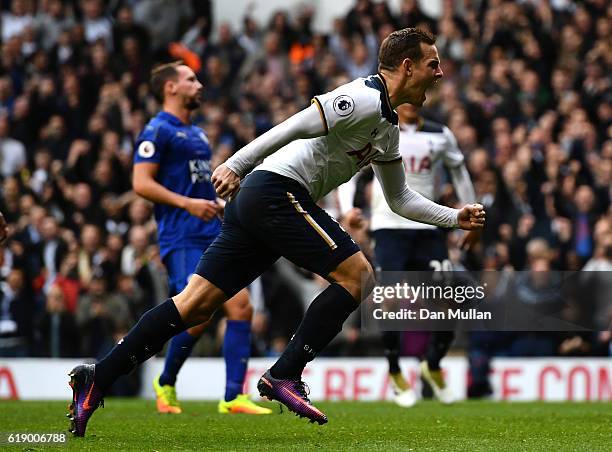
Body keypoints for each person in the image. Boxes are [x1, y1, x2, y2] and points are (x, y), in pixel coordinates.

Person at [67, 28, 485, 436]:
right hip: (275, 190)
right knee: (359, 276)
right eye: (434, 64)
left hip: (264, 201)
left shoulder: (387, 128)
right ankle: (284, 374)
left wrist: (455, 217)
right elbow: (290, 126)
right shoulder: (361, 97)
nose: (441, 73)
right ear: (408, 67)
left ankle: (98, 376)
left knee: (194, 306)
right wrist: (235, 163)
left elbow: (400, 200)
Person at [131, 62, 270, 416]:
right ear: (170, 88)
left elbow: (196, 183)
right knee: (195, 313)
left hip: (211, 231)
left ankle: (232, 397)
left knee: (241, 307)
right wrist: (188, 204)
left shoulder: (197, 135)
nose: (199, 84)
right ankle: (165, 381)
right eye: (191, 79)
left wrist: (216, 202)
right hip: (181, 236)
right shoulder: (157, 131)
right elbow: (141, 184)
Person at [338, 103, 477, 407]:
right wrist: (348, 208)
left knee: (448, 297)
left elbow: (459, 171)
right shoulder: (379, 127)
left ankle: (433, 364)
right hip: (389, 227)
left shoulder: (440, 134)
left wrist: (473, 209)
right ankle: (395, 371)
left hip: (429, 226)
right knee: (390, 299)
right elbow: (349, 171)